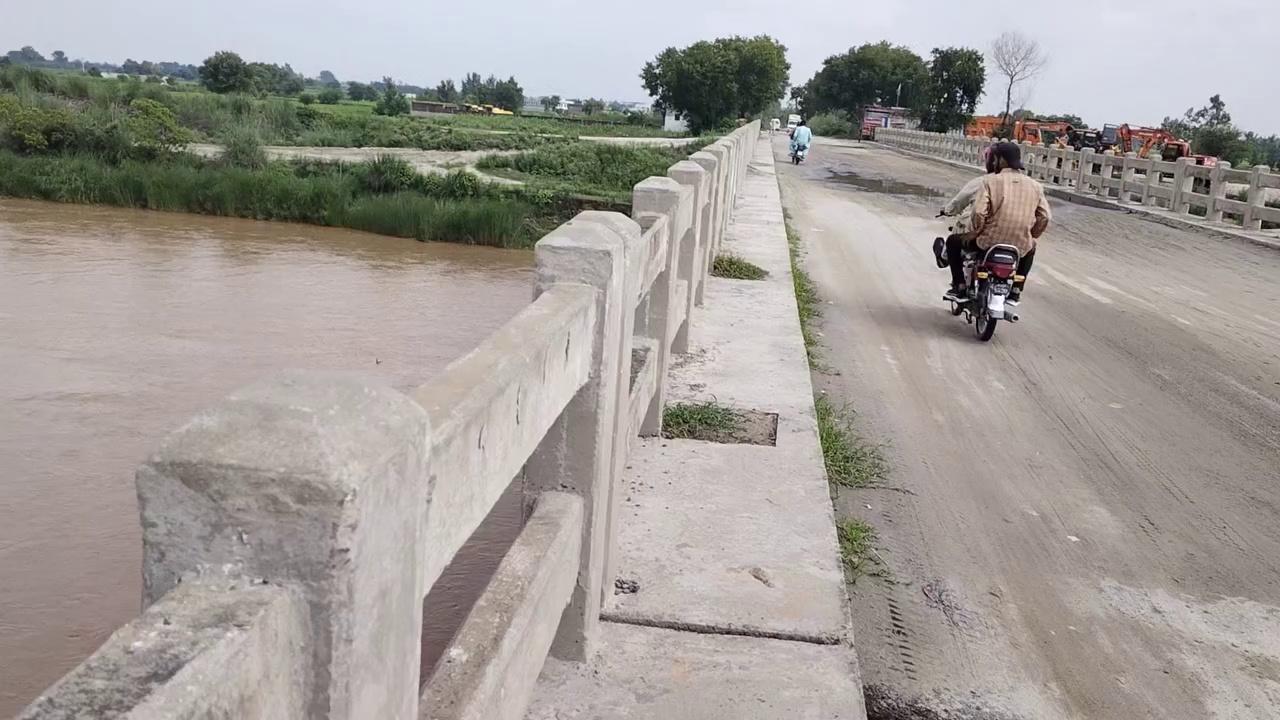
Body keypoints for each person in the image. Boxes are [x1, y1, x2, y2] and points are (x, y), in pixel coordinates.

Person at [943, 142, 1050, 304]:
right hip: (1019, 245)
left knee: (952, 242)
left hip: (987, 242)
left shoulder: (990, 181)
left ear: (1001, 160)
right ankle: (1016, 290)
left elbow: (978, 212)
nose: (993, 163)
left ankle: (959, 286)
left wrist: (976, 232)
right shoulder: (1035, 186)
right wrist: (1032, 234)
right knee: (1031, 247)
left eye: (995, 159)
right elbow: (1045, 216)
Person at [931, 144, 997, 268]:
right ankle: (1018, 284)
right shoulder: (1025, 185)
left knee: (955, 237)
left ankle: (953, 272)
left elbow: (960, 202)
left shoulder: (982, 182)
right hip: (1014, 239)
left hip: (983, 235)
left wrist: (947, 211)